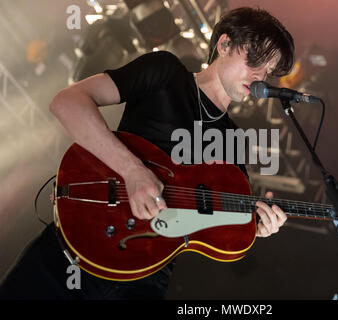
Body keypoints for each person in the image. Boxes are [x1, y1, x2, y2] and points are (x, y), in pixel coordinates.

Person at [0, 7, 295, 300]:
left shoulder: (234, 141)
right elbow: (67, 103)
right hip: (75, 249)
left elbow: (217, 231)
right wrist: (133, 171)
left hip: (146, 281)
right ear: (224, 44)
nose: (260, 77)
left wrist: (256, 227)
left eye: (268, 71)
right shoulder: (165, 72)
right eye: (255, 60)